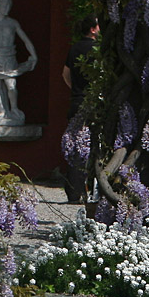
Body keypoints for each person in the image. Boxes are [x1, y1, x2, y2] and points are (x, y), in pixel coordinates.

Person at [62, 14, 99, 202]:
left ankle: (73, 191)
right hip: (93, 103)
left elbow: (65, 74)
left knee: (76, 147)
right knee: (92, 146)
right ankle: (91, 190)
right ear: (93, 29)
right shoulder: (97, 49)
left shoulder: (74, 48)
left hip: (77, 102)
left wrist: (76, 90)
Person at [0, 0, 37, 125]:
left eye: (8, 6)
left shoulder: (12, 23)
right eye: (4, 5)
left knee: (11, 86)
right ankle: (2, 112)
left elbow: (26, 41)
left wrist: (33, 55)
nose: (6, 8)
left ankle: (14, 109)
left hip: (8, 57)